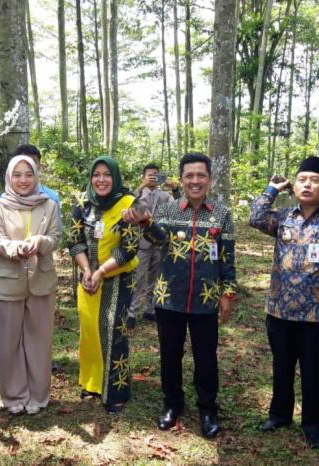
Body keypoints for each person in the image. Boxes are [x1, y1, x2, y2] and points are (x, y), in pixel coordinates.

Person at [248, 156, 319, 449]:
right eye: (302, 179)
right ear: (294, 185)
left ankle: (313, 424)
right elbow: (256, 217)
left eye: (315, 180)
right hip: (280, 308)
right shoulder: (284, 216)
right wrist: (272, 189)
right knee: (281, 365)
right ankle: (279, 415)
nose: (307, 185)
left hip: (318, 313)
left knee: (314, 371)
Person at [123, 152, 237, 439]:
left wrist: (228, 293)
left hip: (206, 298)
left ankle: (207, 408)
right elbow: (158, 240)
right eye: (189, 176)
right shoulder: (169, 209)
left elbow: (228, 257)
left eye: (201, 175)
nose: (195, 181)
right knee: (170, 354)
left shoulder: (222, 213)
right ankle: (172, 404)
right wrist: (147, 223)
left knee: (206, 356)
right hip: (169, 296)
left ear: (209, 179)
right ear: (182, 179)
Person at [66, 156, 140, 414]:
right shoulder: (83, 204)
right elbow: (74, 241)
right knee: (89, 332)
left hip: (117, 279)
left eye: (107, 174)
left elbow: (129, 248)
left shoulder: (128, 204)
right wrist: (88, 270)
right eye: (96, 174)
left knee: (112, 332)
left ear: (115, 177)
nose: (101, 179)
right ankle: (92, 383)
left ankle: (115, 391)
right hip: (87, 279)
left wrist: (101, 273)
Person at [0, 155, 61, 415]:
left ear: (36, 176)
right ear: (9, 177)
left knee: (39, 340)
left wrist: (41, 242)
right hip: (8, 280)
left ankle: (39, 395)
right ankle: (13, 394)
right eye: (17, 174)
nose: (23, 180)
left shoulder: (49, 205)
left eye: (28, 174)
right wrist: (15, 248)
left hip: (42, 279)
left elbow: (55, 238)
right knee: (9, 341)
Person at [128, 163, 177, 329]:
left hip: (159, 242)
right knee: (138, 278)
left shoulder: (164, 195)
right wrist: (140, 187)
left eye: (156, 175)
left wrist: (175, 188)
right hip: (141, 243)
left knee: (154, 279)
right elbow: (126, 204)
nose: (153, 178)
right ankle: (131, 313)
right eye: (150, 175)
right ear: (143, 177)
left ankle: (150, 309)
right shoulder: (137, 195)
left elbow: (179, 206)